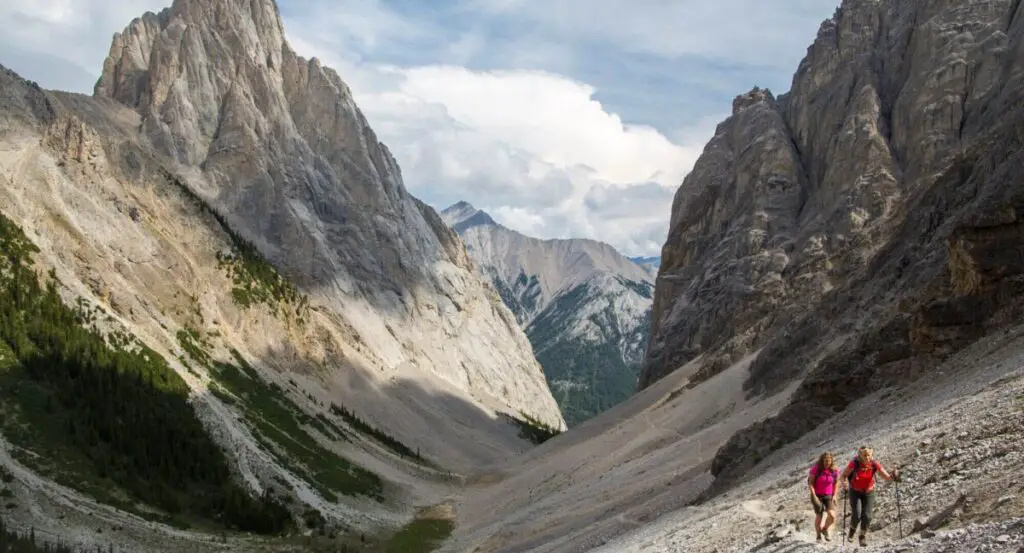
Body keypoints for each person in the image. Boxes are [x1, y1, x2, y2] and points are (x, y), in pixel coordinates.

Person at [840, 446, 900, 547]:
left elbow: (886, 477)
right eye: (865, 455)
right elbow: (843, 476)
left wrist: (894, 475)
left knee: (868, 516)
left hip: (869, 491)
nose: (867, 457)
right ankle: (852, 530)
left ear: (871, 455)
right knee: (857, 515)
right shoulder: (854, 463)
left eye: (869, 455)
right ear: (860, 455)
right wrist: (844, 483)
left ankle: (862, 536)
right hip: (855, 491)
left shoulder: (874, 464)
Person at [808, 451, 839, 542]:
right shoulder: (816, 469)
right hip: (817, 495)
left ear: (831, 461)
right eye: (825, 461)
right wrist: (813, 495)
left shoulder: (834, 470)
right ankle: (818, 536)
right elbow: (811, 483)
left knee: (832, 516)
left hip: (828, 495)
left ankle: (824, 529)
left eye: (829, 461)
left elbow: (836, 482)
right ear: (822, 460)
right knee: (819, 515)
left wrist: (835, 495)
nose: (827, 463)